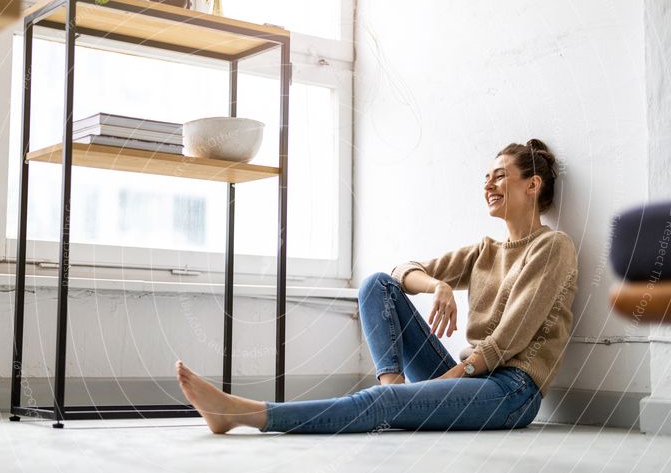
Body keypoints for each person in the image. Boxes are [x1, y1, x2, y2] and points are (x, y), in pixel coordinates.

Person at [175, 139, 578, 434]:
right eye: (485, 178)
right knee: (376, 284)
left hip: (510, 391)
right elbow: (402, 272)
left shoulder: (553, 247)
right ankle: (392, 387)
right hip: (470, 378)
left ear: (533, 185)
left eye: (500, 176)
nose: (488, 184)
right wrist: (438, 284)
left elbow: (506, 342)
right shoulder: (483, 251)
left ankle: (246, 414)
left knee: (387, 406)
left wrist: (439, 384)